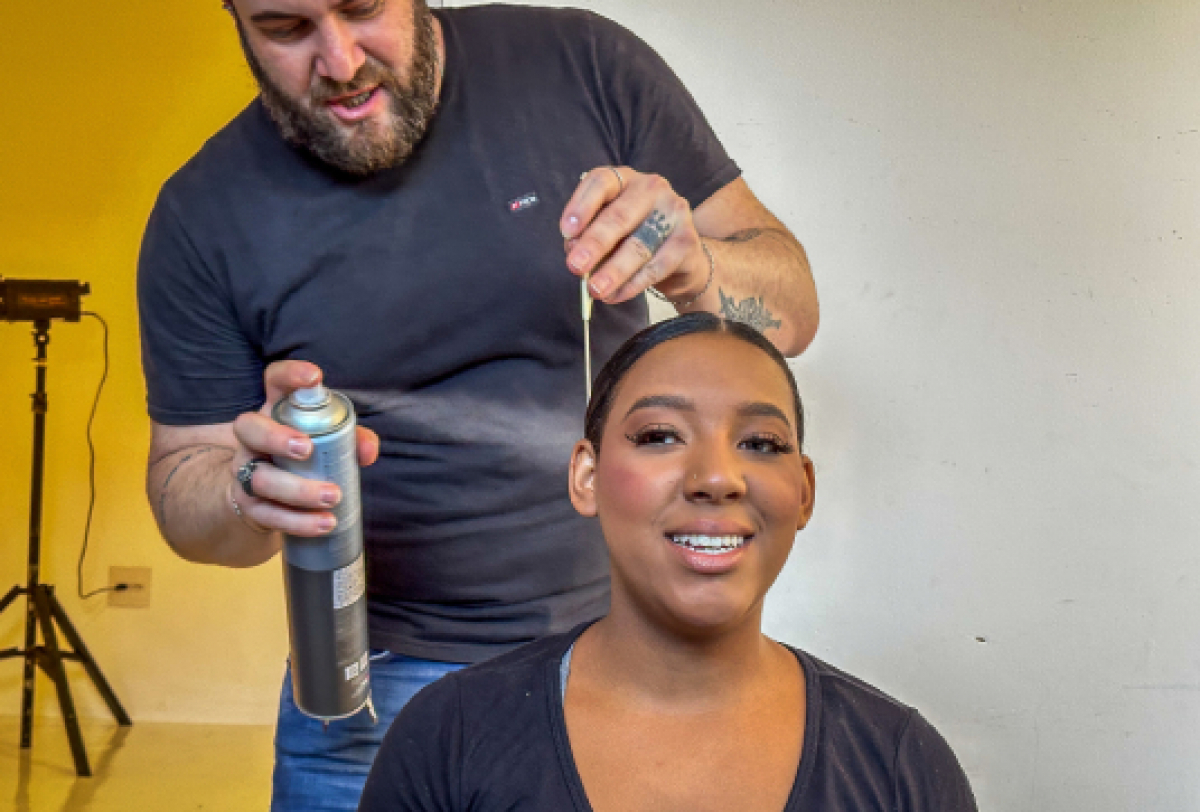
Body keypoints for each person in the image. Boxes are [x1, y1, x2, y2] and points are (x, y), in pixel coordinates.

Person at [137, 1, 817, 808]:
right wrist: (250, 486)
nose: (342, 60)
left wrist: (696, 265)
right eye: (286, 29)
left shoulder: (586, 66)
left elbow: (795, 309)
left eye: (361, 8)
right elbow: (184, 482)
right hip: (372, 698)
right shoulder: (201, 216)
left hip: (632, 663)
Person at [358, 313, 978, 812]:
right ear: (587, 476)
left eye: (760, 444)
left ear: (804, 492)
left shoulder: (900, 765)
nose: (716, 477)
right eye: (660, 435)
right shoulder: (450, 738)